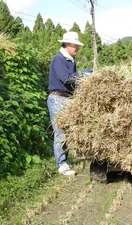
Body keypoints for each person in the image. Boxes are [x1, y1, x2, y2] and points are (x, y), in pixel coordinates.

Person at [47, 31, 92, 175]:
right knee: (60, 132)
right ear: (67, 45)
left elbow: (73, 84)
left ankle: (65, 159)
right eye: (75, 46)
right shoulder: (58, 59)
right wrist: (83, 73)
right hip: (57, 99)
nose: (77, 49)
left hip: (66, 98)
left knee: (69, 130)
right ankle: (61, 165)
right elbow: (66, 79)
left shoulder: (70, 60)